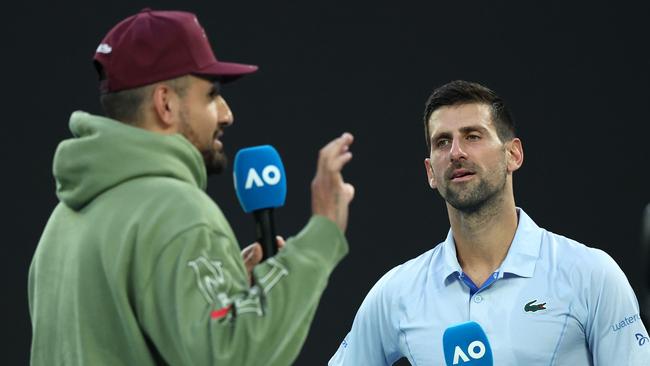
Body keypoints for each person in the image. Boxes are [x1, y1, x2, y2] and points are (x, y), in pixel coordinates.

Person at [28, 9, 355, 366]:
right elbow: (229, 354)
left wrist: (224, 294)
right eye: (211, 95)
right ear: (165, 103)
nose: (227, 114)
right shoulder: (175, 211)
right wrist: (321, 234)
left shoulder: (60, 225)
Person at [329, 80, 650, 365]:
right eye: (442, 142)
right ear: (430, 172)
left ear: (513, 154)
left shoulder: (591, 274)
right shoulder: (395, 293)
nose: (456, 152)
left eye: (472, 136)